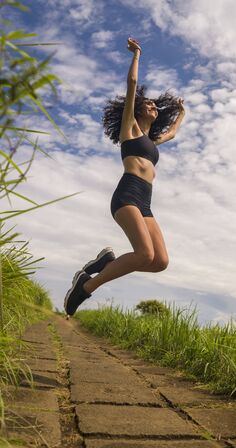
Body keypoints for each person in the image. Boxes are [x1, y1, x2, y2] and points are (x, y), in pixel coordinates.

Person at [64, 37, 185, 316]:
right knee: (144, 254)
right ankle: (84, 288)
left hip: (146, 203)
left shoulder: (153, 141)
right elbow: (131, 86)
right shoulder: (129, 130)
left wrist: (181, 112)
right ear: (139, 109)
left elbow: (174, 133)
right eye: (150, 104)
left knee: (160, 261)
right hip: (127, 195)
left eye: (157, 106)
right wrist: (137, 56)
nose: (154, 107)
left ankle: (104, 263)